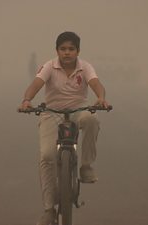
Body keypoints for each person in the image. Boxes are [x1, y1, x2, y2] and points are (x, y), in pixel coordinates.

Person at [18, 31, 109, 225]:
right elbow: (36, 84)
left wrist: (100, 98)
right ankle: (49, 210)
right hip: (52, 112)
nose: (67, 53)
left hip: (79, 110)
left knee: (93, 120)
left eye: (71, 49)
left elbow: (96, 84)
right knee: (47, 157)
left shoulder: (85, 68)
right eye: (63, 49)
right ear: (57, 50)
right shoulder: (49, 67)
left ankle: (85, 166)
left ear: (78, 51)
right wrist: (27, 100)